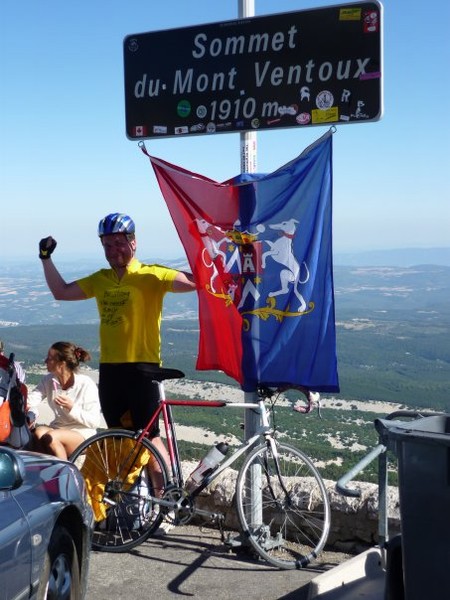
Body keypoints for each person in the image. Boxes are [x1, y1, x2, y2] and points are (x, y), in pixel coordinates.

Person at [38, 213, 196, 467]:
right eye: (107, 245)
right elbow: (61, 292)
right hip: (111, 369)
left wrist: (207, 252)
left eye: (119, 243)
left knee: (149, 437)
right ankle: (135, 499)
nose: (113, 250)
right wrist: (45, 258)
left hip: (144, 368)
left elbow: (194, 282)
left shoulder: (152, 275)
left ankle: (166, 496)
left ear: (133, 243)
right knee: (119, 436)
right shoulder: (100, 279)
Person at [28, 341, 101, 460]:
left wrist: (72, 407)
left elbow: (94, 422)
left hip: (82, 432)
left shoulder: (85, 384)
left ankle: (65, 473)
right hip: (59, 428)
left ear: (61, 364)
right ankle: (43, 472)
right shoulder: (49, 380)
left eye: (50, 358)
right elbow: (34, 397)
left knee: (52, 437)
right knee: (38, 433)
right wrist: (22, 403)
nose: (45, 361)